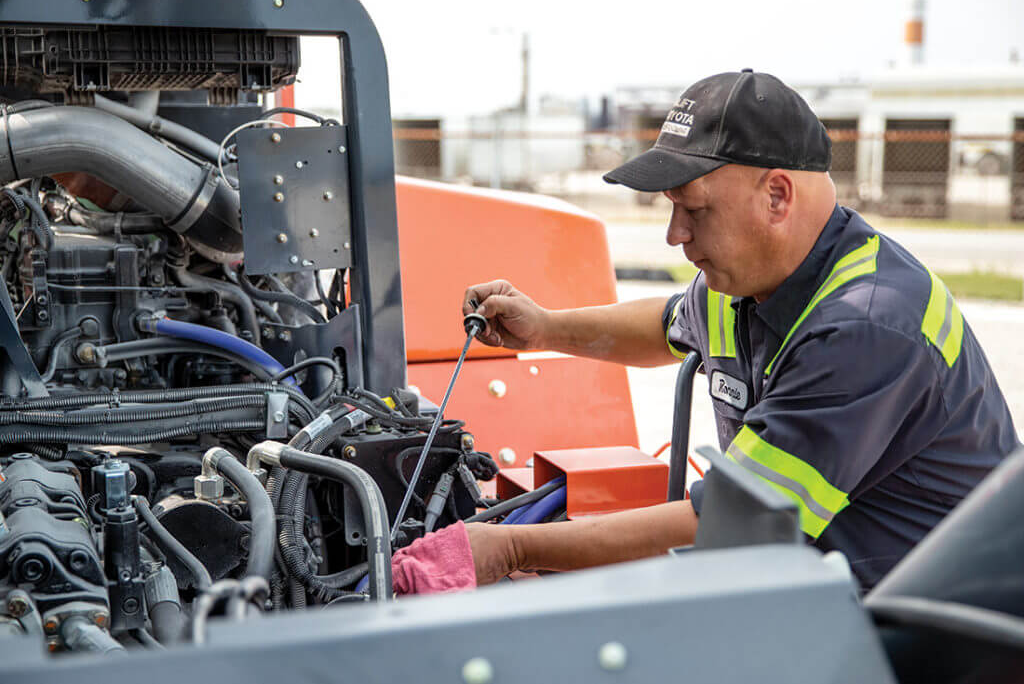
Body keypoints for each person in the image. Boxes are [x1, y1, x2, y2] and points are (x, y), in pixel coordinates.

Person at [434, 70, 1019, 593]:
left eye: (695, 210)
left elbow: (734, 521)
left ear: (777, 196)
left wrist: (511, 546)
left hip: (941, 625)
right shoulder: (746, 282)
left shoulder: (867, 326)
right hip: (822, 586)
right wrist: (544, 330)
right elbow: (667, 326)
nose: (674, 234)